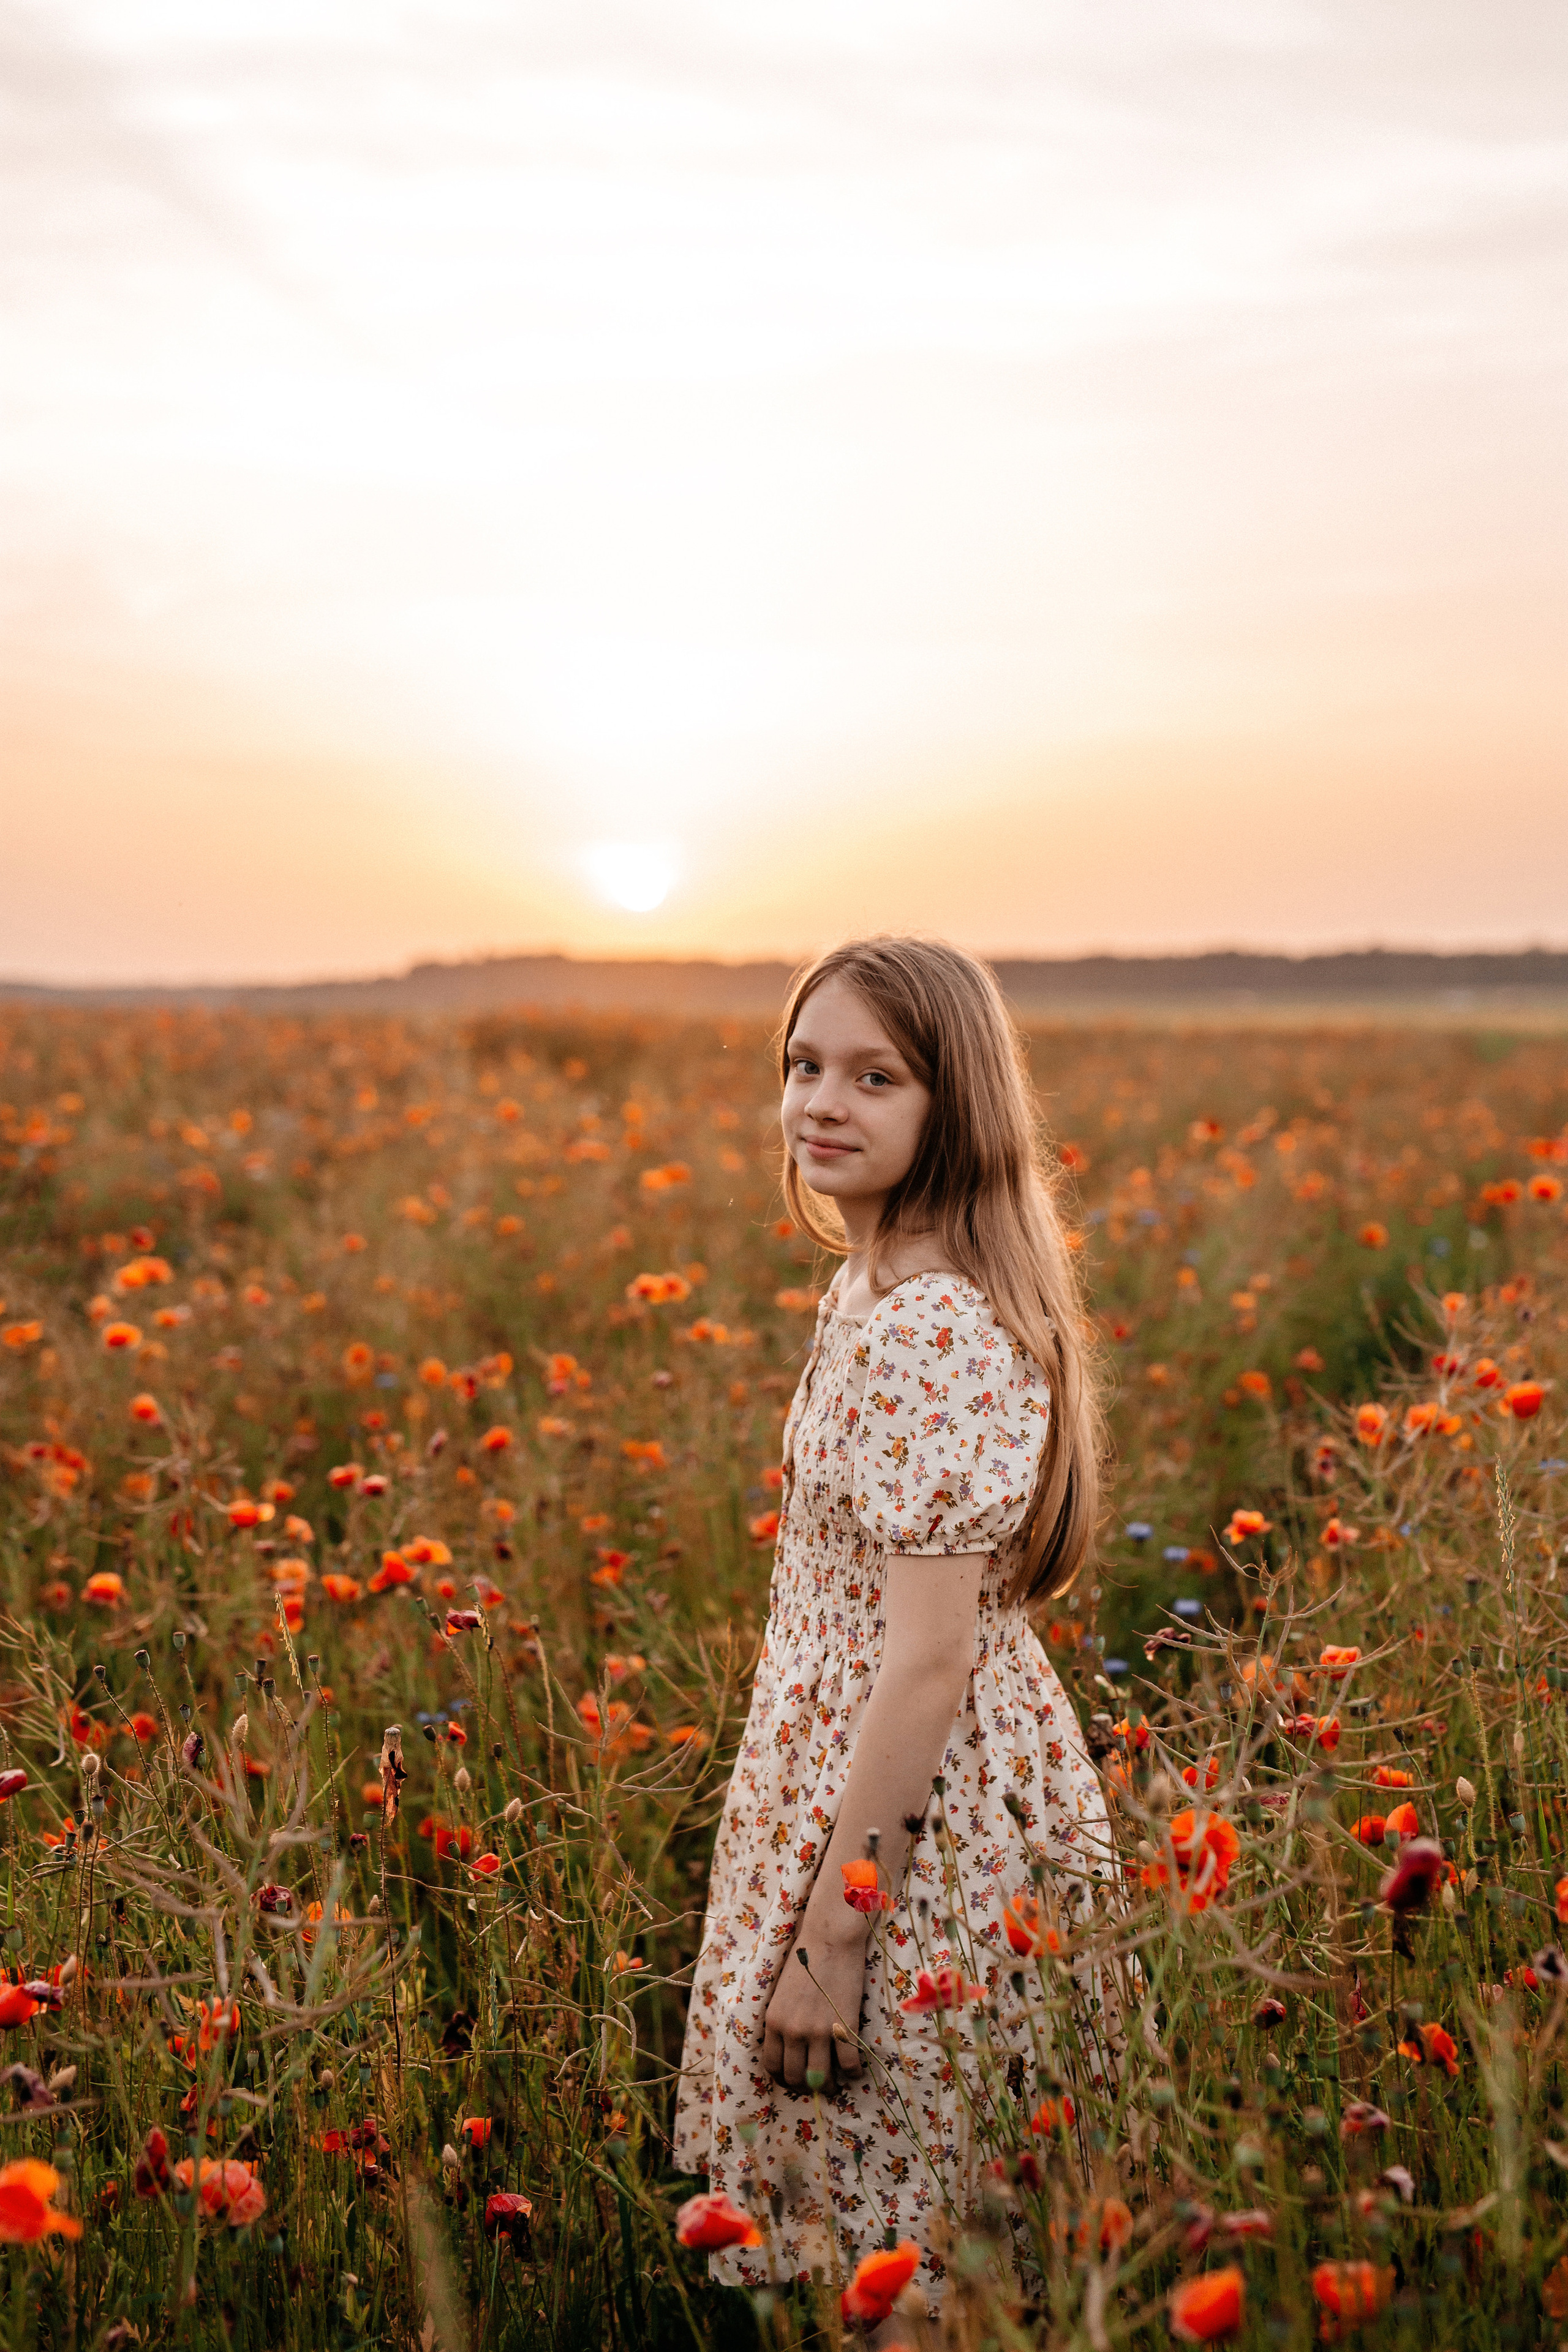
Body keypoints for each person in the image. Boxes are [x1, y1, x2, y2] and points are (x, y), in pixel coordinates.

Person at [673, 937, 1115, 2318]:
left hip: (920, 1826)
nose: (821, 1102)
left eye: (876, 1077)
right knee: (879, 2247)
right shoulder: (871, 1283)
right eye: (803, 1065)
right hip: (852, 1780)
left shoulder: (932, 1324)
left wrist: (833, 1940)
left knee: (915, 2266)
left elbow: (928, 1659)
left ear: (953, 1104)